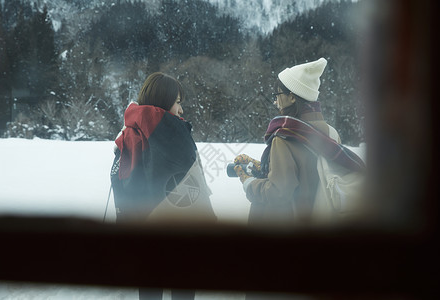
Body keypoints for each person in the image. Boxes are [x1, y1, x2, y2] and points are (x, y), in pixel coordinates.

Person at [110, 72, 216, 300]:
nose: (181, 110)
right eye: (177, 102)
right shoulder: (173, 134)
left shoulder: (128, 132)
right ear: (164, 101)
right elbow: (193, 185)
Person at [233, 58, 364, 227]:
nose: (275, 101)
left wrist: (249, 184)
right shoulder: (331, 133)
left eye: (278, 95)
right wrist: (264, 167)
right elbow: (311, 172)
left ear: (292, 97)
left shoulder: (284, 137)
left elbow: (279, 193)